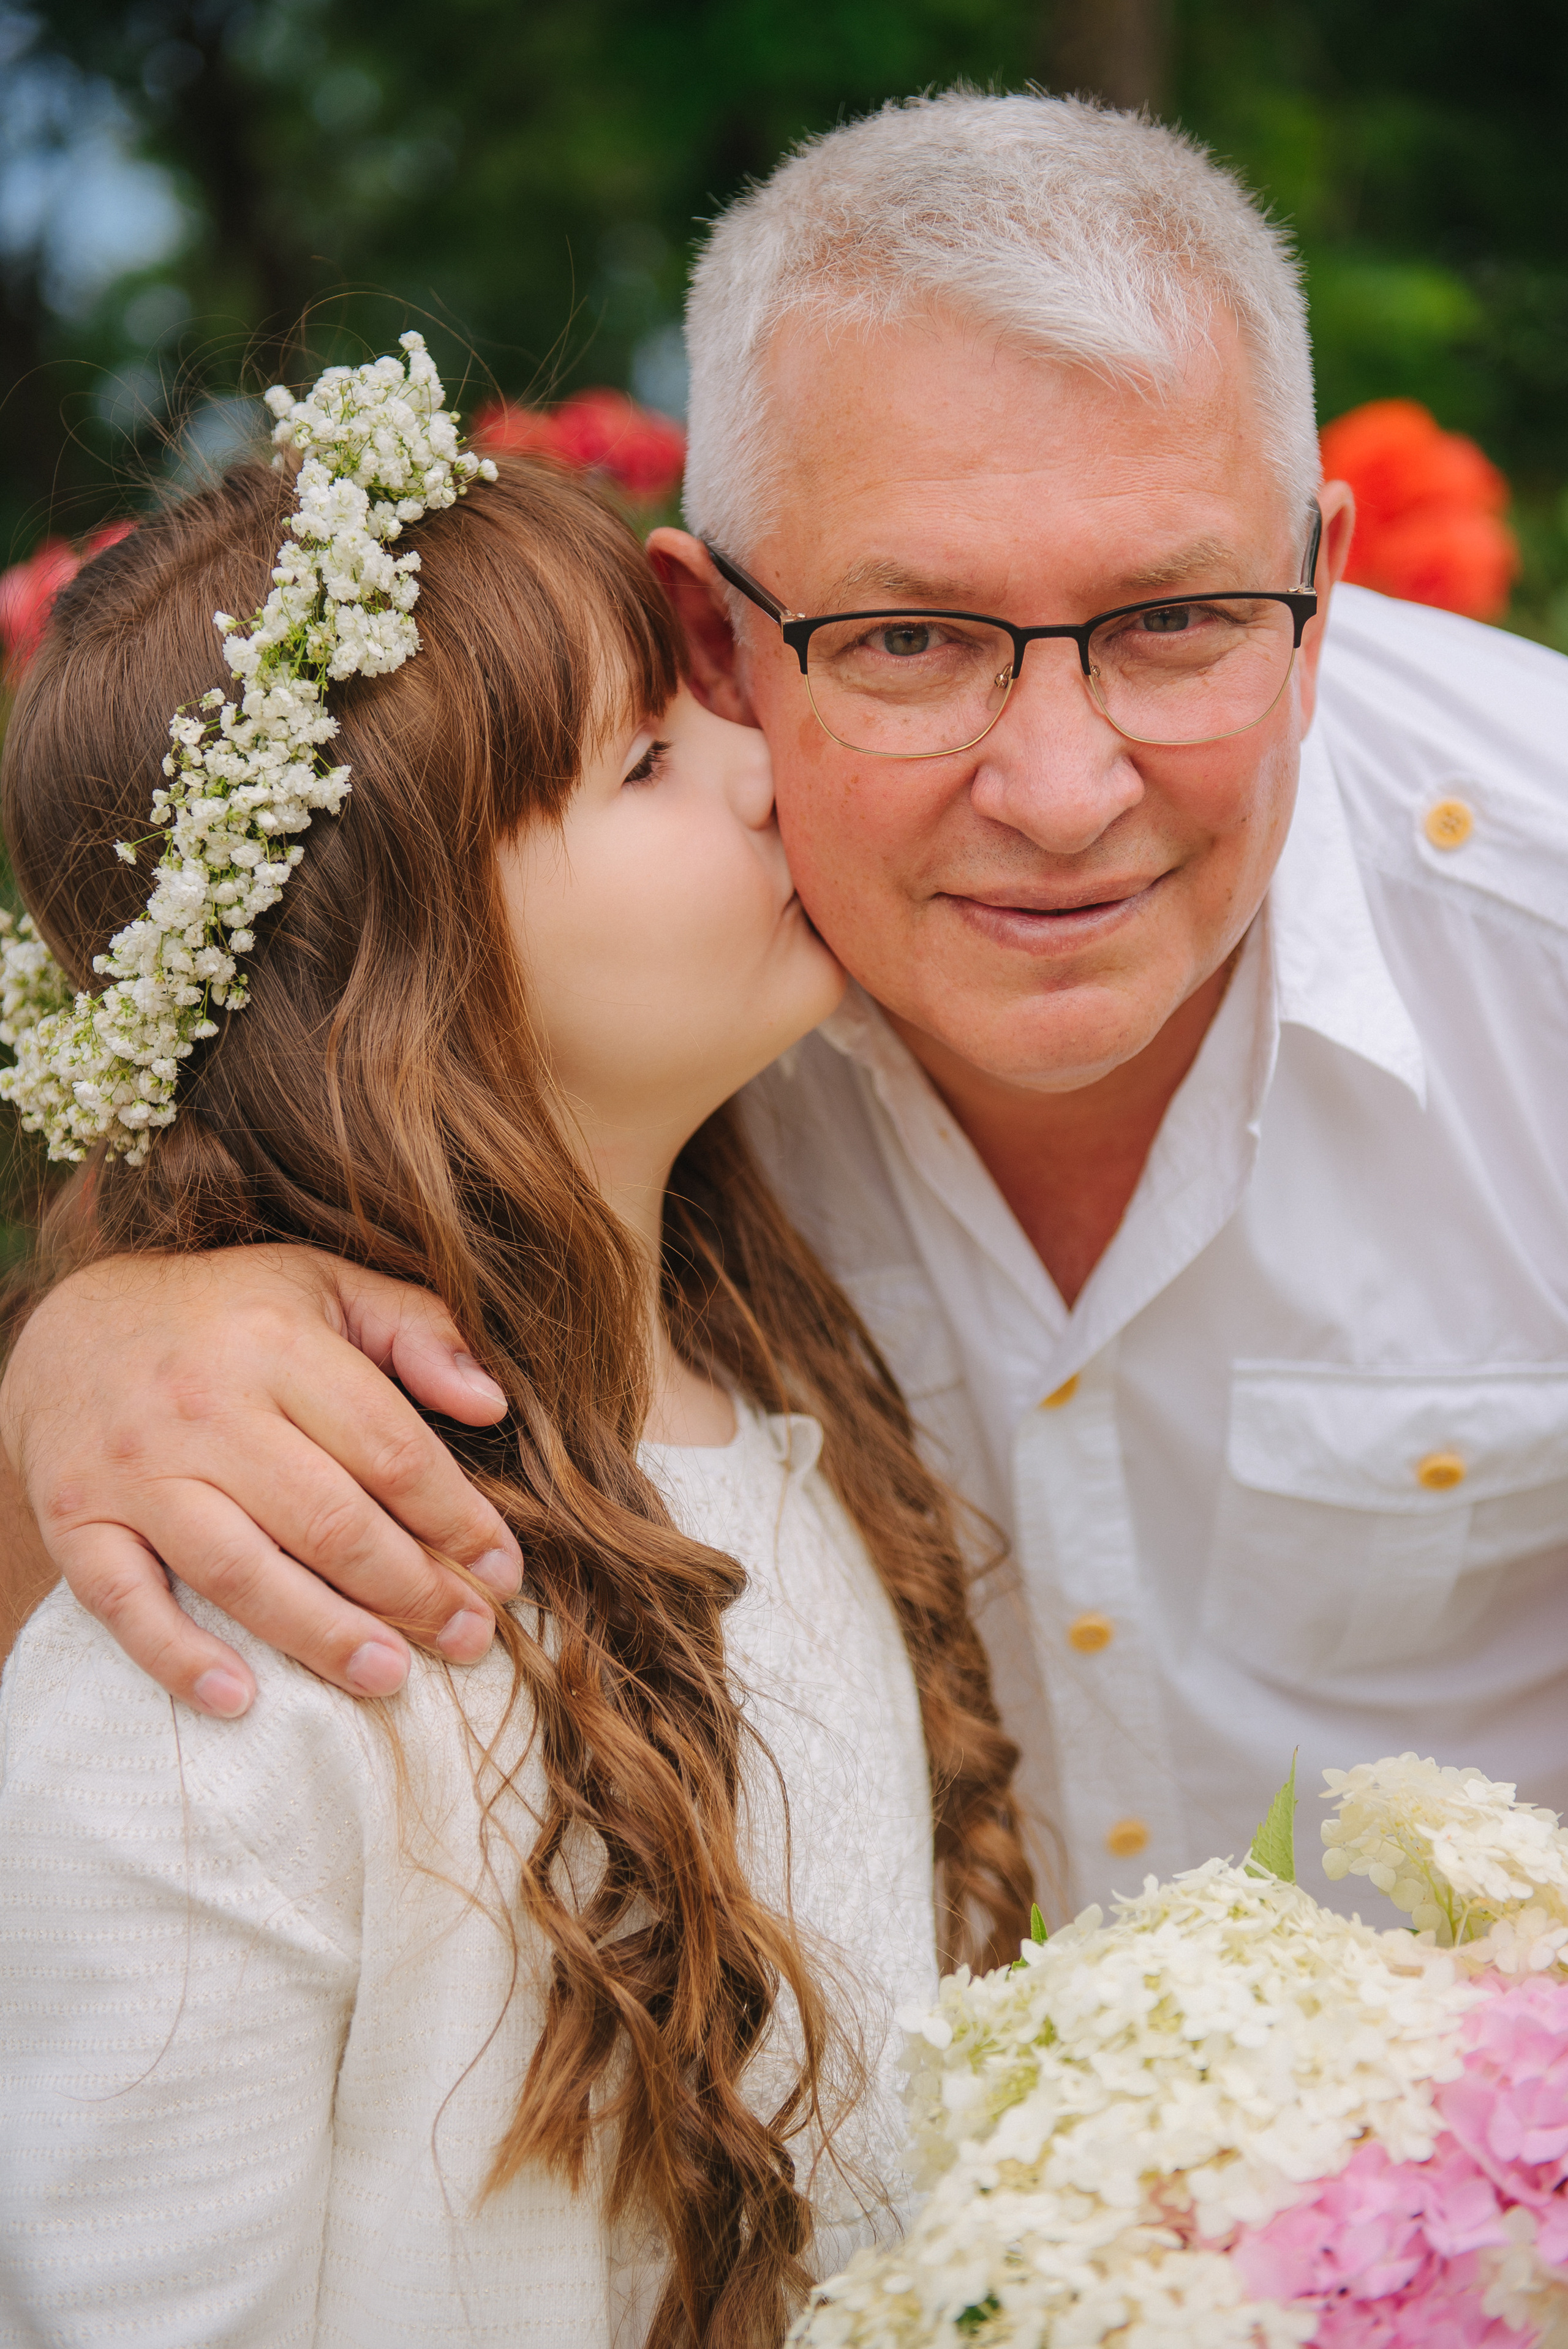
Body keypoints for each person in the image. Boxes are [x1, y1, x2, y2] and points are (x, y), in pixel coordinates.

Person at [6, 89, 1568, 1915]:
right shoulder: (613, 976)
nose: (1061, 794)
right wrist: (96, 1333)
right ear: (715, 637)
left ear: (1320, 593)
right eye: (909, 640)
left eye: (1177, 619)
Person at [0, 344, 1030, 2347]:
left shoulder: (786, 1417)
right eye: (649, 758)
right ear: (397, 965)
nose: (766, 762)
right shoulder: (255, 1611)